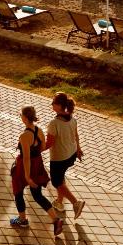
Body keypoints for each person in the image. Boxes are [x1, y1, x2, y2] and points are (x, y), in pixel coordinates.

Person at [10, 105, 63, 237]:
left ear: (25, 117)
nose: (20, 117)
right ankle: (56, 220)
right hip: (37, 164)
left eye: (21, 115)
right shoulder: (39, 131)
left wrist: (27, 177)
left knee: (18, 192)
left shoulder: (24, 136)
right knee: (38, 195)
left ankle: (22, 220)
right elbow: (43, 147)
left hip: (23, 168)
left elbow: (26, 158)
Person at [46, 91, 85, 220]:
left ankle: (76, 203)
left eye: (53, 102)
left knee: (56, 181)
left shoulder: (54, 123)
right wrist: (78, 149)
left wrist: (35, 149)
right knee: (61, 177)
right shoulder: (72, 119)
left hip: (59, 158)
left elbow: (49, 143)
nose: (51, 104)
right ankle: (59, 203)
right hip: (71, 154)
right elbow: (76, 135)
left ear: (60, 106)